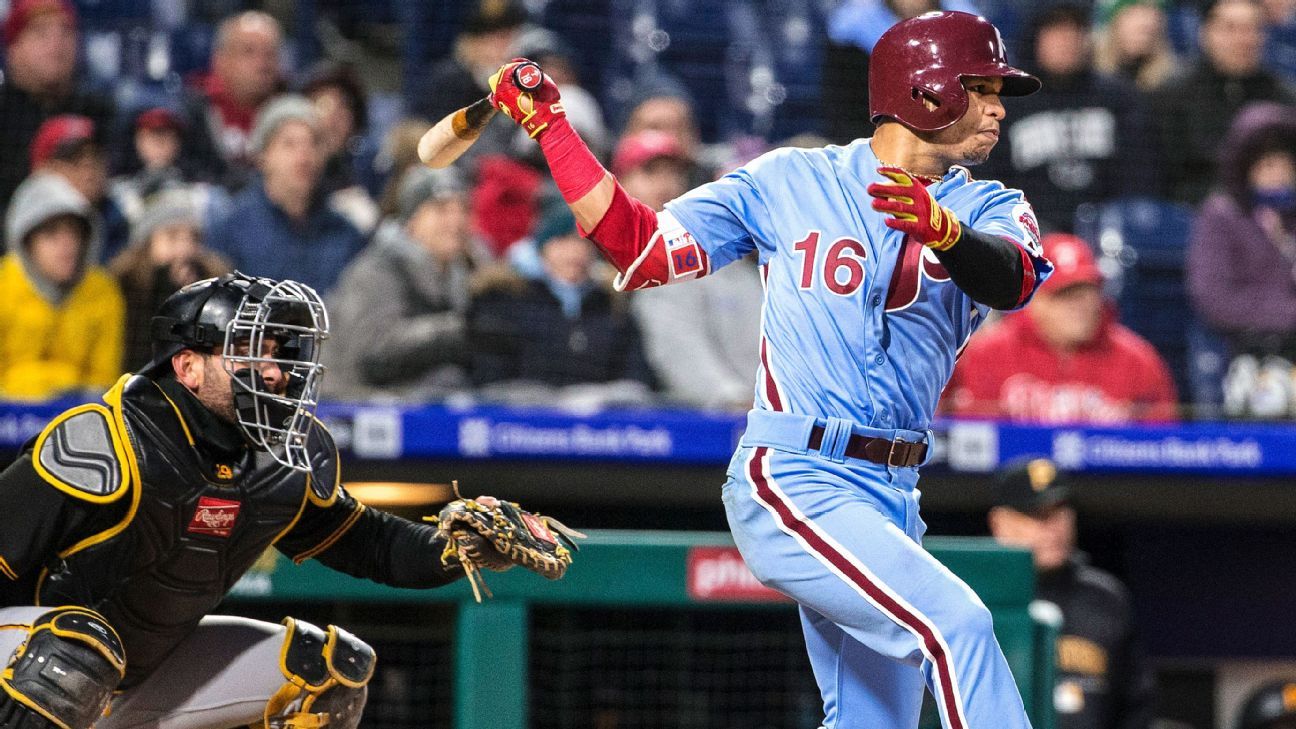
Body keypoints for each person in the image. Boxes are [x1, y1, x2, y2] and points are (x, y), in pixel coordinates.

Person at [483, 10, 1054, 727]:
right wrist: (554, 132)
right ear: (926, 87)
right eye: (982, 86)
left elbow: (1011, 280)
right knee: (957, 626)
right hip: (797, 472)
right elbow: (640, 250)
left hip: (895, 493)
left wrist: (942, 231)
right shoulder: (791, 179)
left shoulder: (990, 205)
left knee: (873, 720)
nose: (999, 107)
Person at [0, 273, 544, 729]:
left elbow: (368, 544)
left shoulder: (284, 456)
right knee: (73, 652)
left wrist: (455, 549)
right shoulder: (103, 443)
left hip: (128, 678)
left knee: (331, 669)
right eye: (246, 352)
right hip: (30, 662)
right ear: (187, 368)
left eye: (276, 353)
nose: (274, 372)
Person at [987, 457, 1157, 729]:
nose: (1053, 526)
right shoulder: (974, 598)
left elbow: (1136, 709)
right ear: (999, 523)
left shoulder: (1107, 600)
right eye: (1036, 515)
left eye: (1059, 511)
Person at [945, 233, 1178, 423]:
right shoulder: (985, 354)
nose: (1083, 306)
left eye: (1088, 292)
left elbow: (1165, 447)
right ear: (1033, 299)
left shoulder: (1138, 360)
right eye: (1065, 295)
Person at [974, 4, 1158, 233]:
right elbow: (989, 182)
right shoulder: (1005, 104)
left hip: (1110, 237)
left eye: (1076, 28)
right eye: (1055, 29)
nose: (1067, 39)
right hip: (1028, 237)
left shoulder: (1119, 98)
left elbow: (1140, 179)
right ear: (1034, 35)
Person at [618, 131, 765, 410]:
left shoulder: (737, 264)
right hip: (702, 422)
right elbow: (681, 350)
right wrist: (733, 398)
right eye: (651, 172)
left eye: (673, 173)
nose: (665, 185)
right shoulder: (670, 269)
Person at [468, 204, 655, 409]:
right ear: (543, 247)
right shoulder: (506, 300)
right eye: (563, 241)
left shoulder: (613, 305)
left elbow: (635, 375)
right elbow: (490, 375)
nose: (575, 252)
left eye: (583, 242)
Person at [326, 167, 478, 401]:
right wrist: (454, 329)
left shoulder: (463, 274)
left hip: (416, 399)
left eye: (462, 210)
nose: (455, 222)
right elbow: (372, 350)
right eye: (441, 210)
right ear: (412, 220)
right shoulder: (377, 270)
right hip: (354, 404)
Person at [1185, 102, 1296, 418]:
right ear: (1245, 167)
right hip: (1242, 351)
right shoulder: (1221, 216)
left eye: (1283, 160)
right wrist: (1287, 313)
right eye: (1264, 162)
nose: (1277, 171)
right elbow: (1214, 298)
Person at [208, 95, 366, 295]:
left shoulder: (346, 234)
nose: (303, 156)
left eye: (313, 144)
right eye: (289, 144)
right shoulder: (230, 229)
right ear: (262, 155)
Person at [1154, 0, 1296, 204]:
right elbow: (1164, 180)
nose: (1243, 39)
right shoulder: (1172, 97)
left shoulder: (1283, 100)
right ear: (1205, 34)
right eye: (1230, 29)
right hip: (1194, 216)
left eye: (1252, 29)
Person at [0, 173, 123, 400]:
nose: (67, 244)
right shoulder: (3, 285)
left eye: (74, 232)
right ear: (27, 242)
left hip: (80, 416)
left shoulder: (103, 291)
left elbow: (104, 382)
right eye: (51, 233)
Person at [0, 0, 114, 215]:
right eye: (40, 32)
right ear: (13, 47)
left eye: (66, 31)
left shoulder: (101, 111)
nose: (56, 43)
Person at [108, 189, 230, 371]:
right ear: (146, 243)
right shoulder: (121, 286)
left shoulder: (215, 285)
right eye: (172, 236)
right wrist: (166, 294)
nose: (185, 249)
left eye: (193, 238)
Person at [184, 10, 287, 186]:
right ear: (220, 60)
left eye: (270, 54)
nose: (262, 64)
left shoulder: (293, 114)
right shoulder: (188, 113)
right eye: (248, 52)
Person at [28, 114, 131, 260]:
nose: (89, 167)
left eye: (96, 155)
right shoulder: (18, 232)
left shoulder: (124, 224)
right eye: (72, 157)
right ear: (42, 169)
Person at [1092, 0, 1180, 92]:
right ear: (1114, 22)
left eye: (1153, 13)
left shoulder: (1174, 82)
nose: (1146, 23)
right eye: (1134, 13)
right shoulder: (1088, 73)